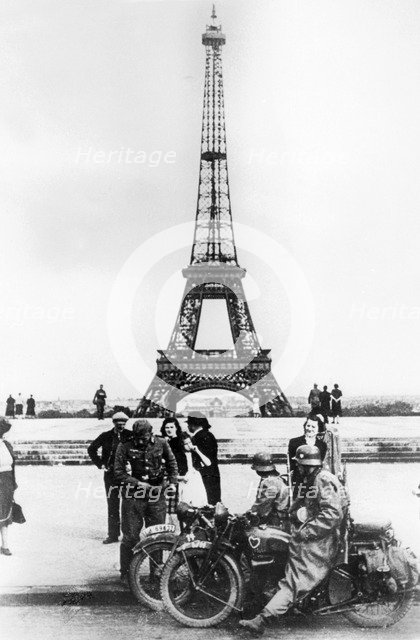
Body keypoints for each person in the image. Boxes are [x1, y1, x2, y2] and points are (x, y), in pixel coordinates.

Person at [239, 444, 345, 636]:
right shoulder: (312, 478)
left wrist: (306, 532)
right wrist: (292, 517)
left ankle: (262, 619)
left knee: (293, 581)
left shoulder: (323, 480)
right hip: (311, 536)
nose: (297, 467)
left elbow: (332, 514)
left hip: (319, 542)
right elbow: (300, 504)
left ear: (306, 464)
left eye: (299, 464)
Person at [114, 419, 178, 580]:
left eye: (144, 438)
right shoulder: (125, 446)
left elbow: (172, 464)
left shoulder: (161, 443)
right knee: (131, 536)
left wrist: (172, 482)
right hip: (133, 495)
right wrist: (138, 483)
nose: (140, 442)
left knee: (156, 536)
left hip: (156, 494)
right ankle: (126, 573)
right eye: (138, 438)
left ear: (151, 434)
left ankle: (156, 573)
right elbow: (118, 472)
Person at [87, 411, 132, 544]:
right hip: (111, 475)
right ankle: (113, 534)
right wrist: (100, 464)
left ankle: (129, 534)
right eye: (119, 424)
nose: (121, 427)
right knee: (112, 505)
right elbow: (91, 449)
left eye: (123, 424)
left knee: (128, 504)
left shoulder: (131, 435)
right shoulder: (105, 436)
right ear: (114, 423)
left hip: (126, 475)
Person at [186, 411, 221, 505]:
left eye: (189, 424)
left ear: (193, 424)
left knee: (204, 500)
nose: (188, 426)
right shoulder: (208, 435)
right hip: (212, 472)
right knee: (213, 499)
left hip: (204, 474)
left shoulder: (199, 437)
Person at [288, 413, 327, 496]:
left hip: (315, 480)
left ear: (318, 429)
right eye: (308, 426)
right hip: (298, 480)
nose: (310, 429)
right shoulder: (294, 442)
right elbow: (291, 465)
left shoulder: (322, 445)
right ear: (305, 426)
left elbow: (320, 464)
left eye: (313, 427)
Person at [248, 452, 289, 529]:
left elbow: (263, 506)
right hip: (282, 518)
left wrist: (250, 513)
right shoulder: (279, 478)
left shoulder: (268, 482)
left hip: (274, 521)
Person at [160, 418, 188, 521]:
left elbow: (182, 461)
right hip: (166, 477)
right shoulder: (163, 441)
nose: (169, 429)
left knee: (177, 507)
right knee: (166, 507)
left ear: (176, 428)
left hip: (178, 477)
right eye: (166, 427)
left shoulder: (180, 441)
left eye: (171, 427)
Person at [0, 419, 17, 555]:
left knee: (5, 513)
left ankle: (5, 545)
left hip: (7, 482)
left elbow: (12, 466)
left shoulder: (6, 445)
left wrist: (13, 484)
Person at [181, 432, 211, 507]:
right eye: (186, 444)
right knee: (186, 500)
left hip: (195, 479)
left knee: (198, 500)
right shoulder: (180, 455)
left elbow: (208, 463)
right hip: (185, 479)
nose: (189, 445)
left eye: (190, 442)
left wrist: (197, 451)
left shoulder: (195, 454)